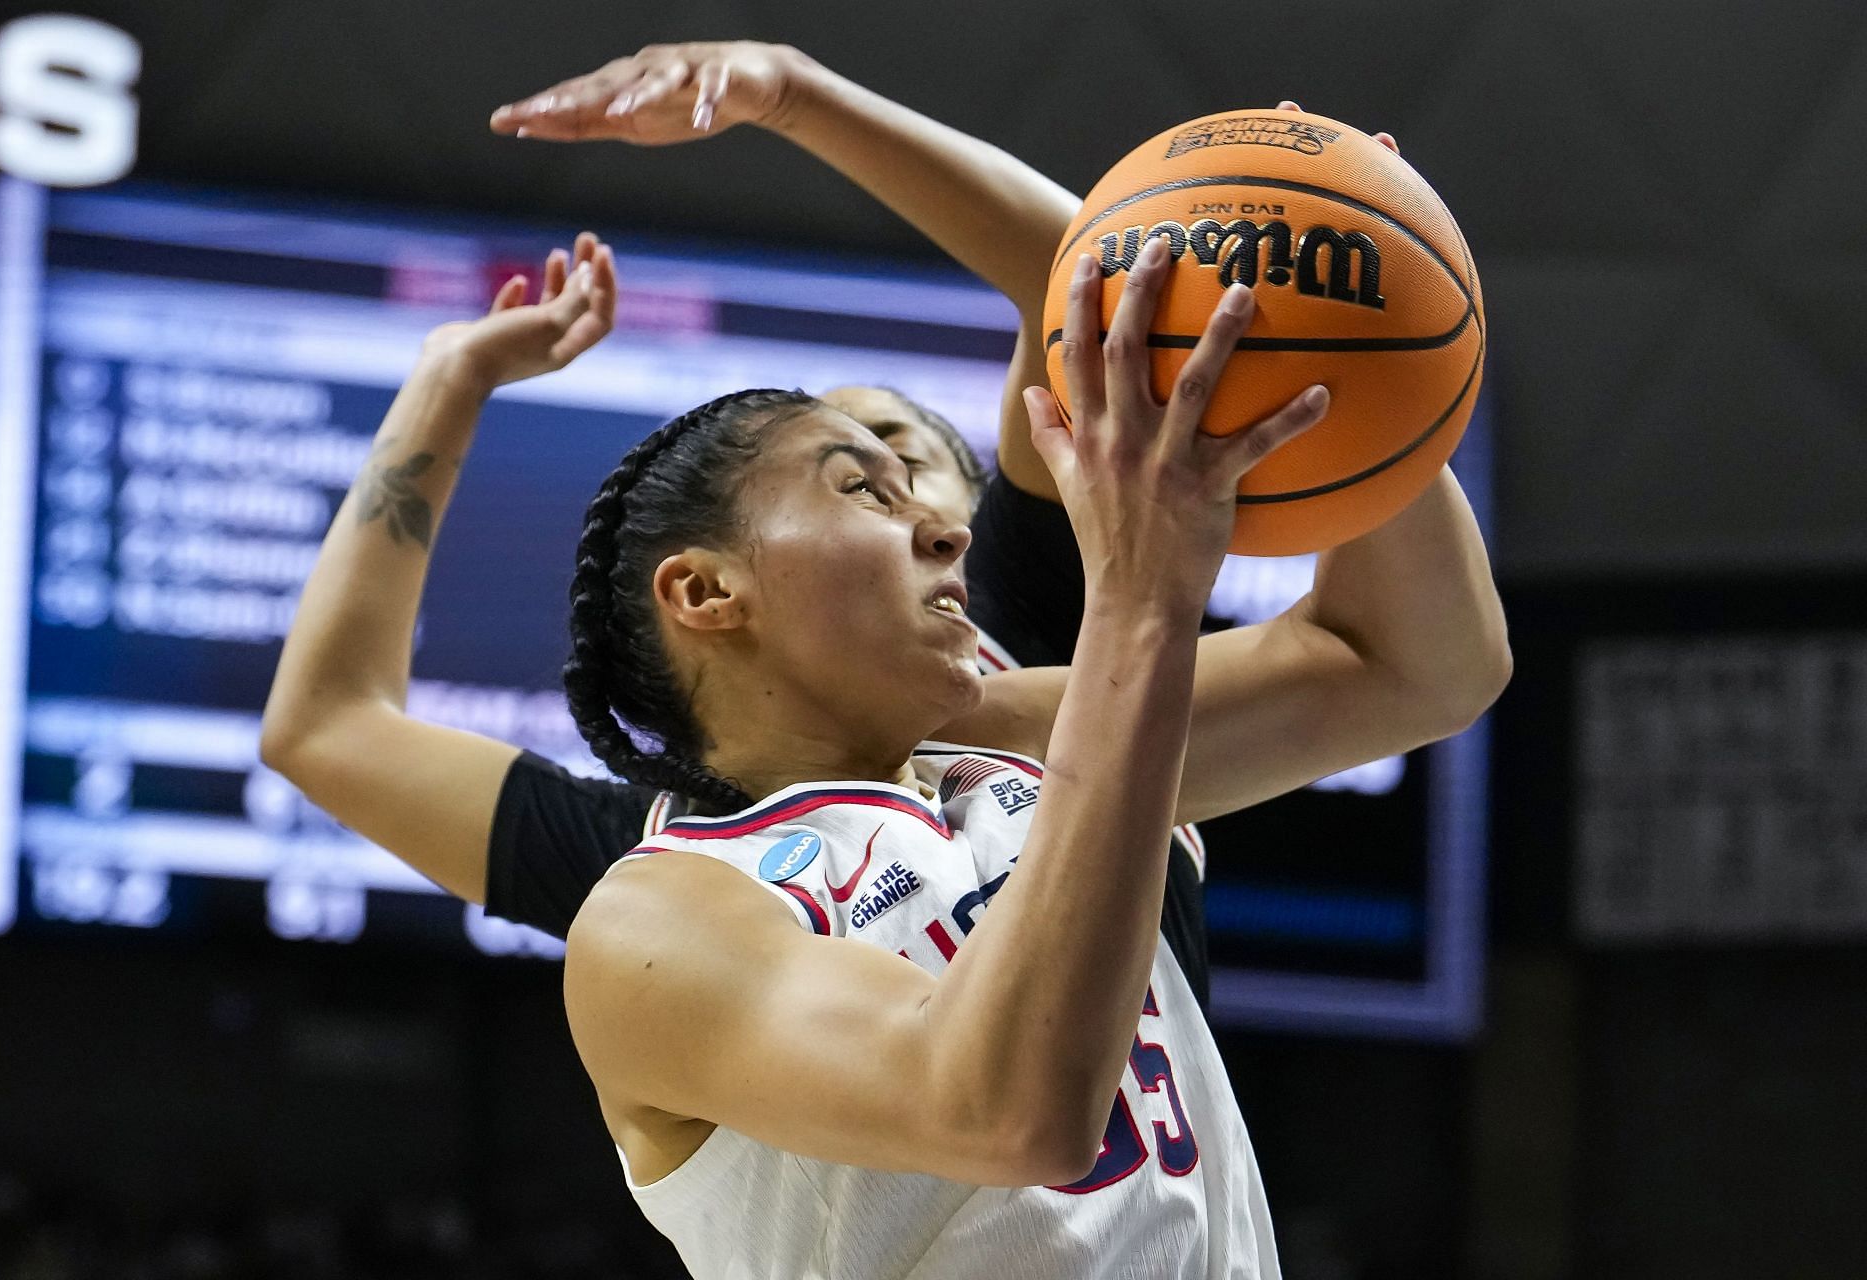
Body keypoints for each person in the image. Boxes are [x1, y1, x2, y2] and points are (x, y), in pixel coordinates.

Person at [263, 195, 1507, 1273]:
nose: (943, 529)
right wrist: (447, 378)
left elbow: (1419, 661)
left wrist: (1333, 318)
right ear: (706, 593)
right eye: (861, 485)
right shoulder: (658, 911)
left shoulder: (1025, 741)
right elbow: (1007, 1110)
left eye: (925, 481)